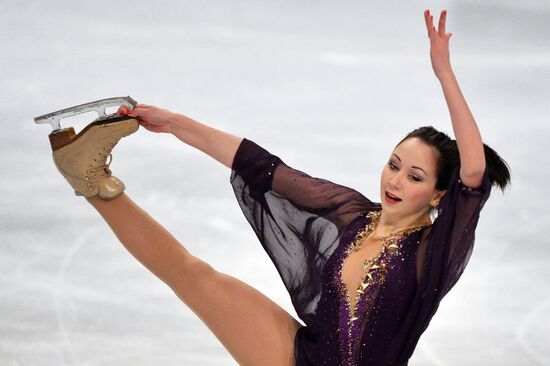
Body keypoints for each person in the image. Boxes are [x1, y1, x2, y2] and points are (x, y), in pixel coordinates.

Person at [47, 9, 511, 366]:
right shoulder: (352, 214)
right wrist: (172, 122)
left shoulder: (434, 250)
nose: (394, 180)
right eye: (394, 164)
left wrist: (445, 75)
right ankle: (89, 179)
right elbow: (261, 166)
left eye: (414, 176)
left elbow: (473, 173)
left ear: (437, 196)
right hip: (299, 356)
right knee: (193, 274)